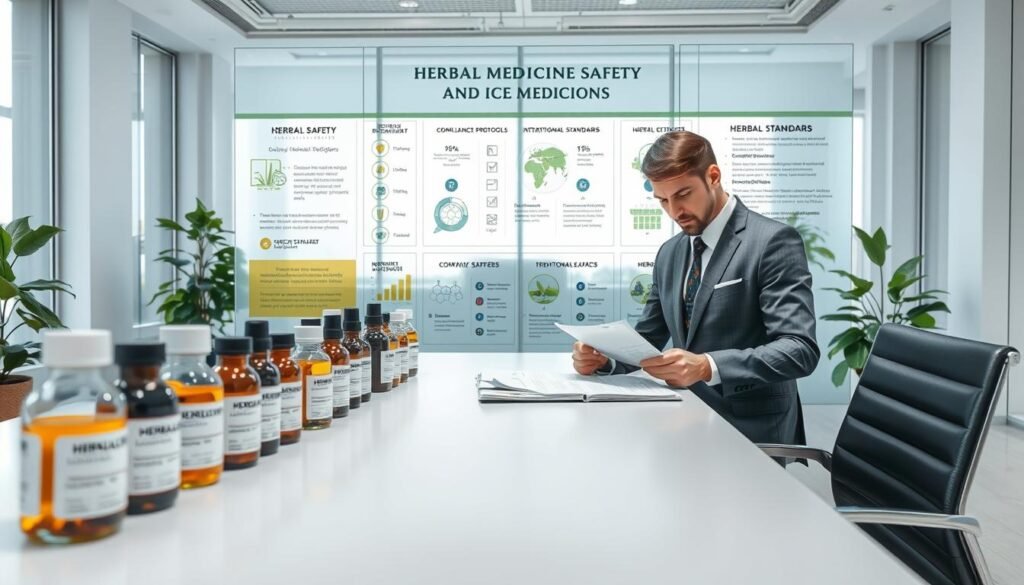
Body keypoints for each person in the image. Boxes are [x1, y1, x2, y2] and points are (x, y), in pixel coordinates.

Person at [573, 130, 819, 446]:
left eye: (683, 194)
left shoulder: (771, 241)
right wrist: (603, 361)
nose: (674, 211)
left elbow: (799, 349)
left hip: (750, 427)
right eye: (663, 200)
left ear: (713, 176)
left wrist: (707, 366)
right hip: (682, 417)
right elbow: (647, 341)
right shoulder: (670, 252)